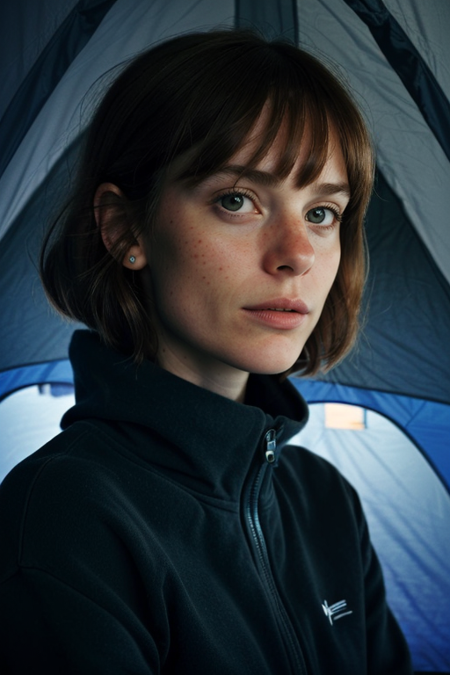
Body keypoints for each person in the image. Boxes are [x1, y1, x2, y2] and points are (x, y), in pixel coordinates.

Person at [0, 30, 412, 674]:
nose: (297, 254)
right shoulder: (65, 519)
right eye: (237, 200)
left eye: (323, 212)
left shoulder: (328, 501)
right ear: (124, 229)